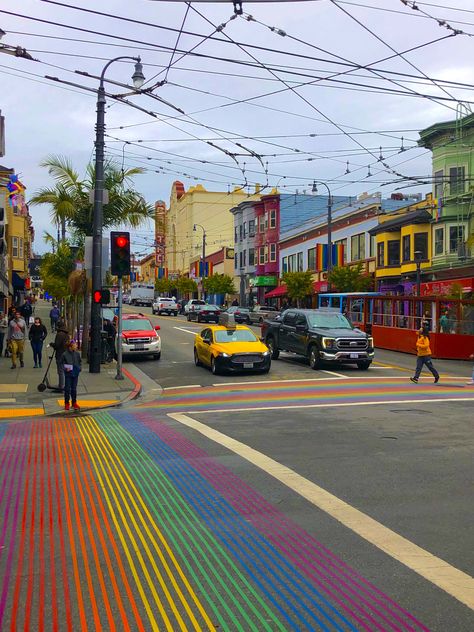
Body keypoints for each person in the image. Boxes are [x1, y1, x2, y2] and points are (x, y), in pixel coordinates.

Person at [60, 340, 81, 411]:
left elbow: (79, 362)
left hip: (75, 373)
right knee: (67, 389)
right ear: (70, 346)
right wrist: (66, 368)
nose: (76, 346)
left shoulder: (77, 354)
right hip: (68, 374)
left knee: (74, 389)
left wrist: (79, 368)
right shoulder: (64, 354)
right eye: (75, 345)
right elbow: (61, 364)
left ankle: (74, 402)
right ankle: (66, 403)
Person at [51, 320, 69, 391]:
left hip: (60, 354)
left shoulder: (59, 334)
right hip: (67, 355)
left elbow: (57, 345)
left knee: (60, 371)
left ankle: (61, 386)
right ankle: (65, 385)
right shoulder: (66, 334)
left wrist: (51, 344)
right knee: (66, 370)